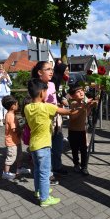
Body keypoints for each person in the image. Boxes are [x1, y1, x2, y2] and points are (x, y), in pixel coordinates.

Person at [24, 78, 79, 207]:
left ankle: (39, 192)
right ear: (42, 92)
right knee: (44, 173)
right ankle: (44, 199)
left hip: (33, 145)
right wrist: (80, 107)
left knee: (38, 170)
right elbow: (68, 112)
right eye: (47, 91)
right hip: (43, 146)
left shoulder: (27, 108)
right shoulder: (47, 107)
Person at [31, 61, 67, 186]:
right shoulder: (35, 86)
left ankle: (57, 166)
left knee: (58, 145)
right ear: (40, 72)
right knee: (46, 148)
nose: (51, 71)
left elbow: (55, 98)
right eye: (48, 69)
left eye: (52, 69)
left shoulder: (51, 84)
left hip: (56, 119)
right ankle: (48, 174)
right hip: (45, 122)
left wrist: (61, 101)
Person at [68, 85, 97, 175]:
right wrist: (85, 106)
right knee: (74, 149)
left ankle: (84, 167)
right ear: (72, 96)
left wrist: (96, 98)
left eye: (81, 90)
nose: (81, 92)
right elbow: (73, 117)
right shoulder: (73, 104)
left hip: (83, 131)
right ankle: (76, 164)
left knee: (84, 149)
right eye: (78, 91)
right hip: (73, 131)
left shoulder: (85, 103)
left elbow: (94, 104)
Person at [2, 95, 31, 180]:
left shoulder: (11, 114)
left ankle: (19, 169)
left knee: (19, 155)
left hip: (16, 140)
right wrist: (22, 128)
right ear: (12, 106)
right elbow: (14, 129)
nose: (18, 105)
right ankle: (5, 173)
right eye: (16, 104)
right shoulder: (10, 116)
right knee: (11, 157)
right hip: (11, 142)